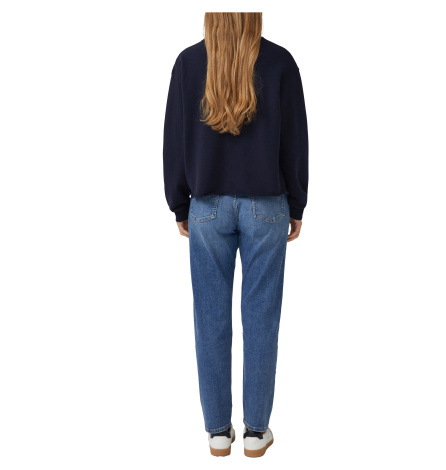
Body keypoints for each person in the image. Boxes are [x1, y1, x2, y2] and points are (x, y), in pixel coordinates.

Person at [163, 12, 308, 457]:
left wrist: (179, 203)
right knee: (261, 317)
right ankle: (256, 432)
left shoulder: (189, 63)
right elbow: (295, 140)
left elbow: (173, 139)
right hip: (267, 205)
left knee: (210, 318)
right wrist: (296, 204)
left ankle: (217, 432)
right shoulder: (280, 62)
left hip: (207, 207)